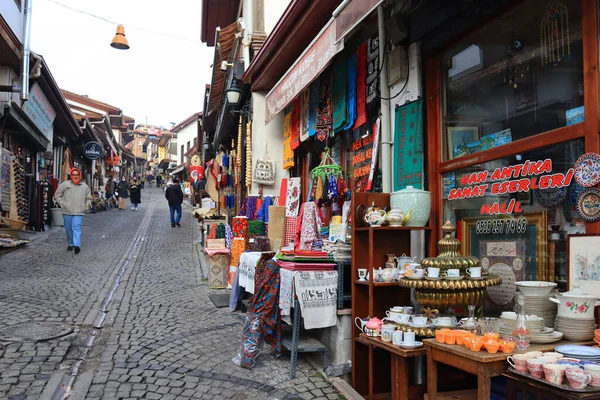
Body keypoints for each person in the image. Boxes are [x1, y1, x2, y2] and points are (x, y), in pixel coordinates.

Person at [53, 167, 92, 254]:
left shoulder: (85, 187)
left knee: (76, 227)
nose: (75, 176)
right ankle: (70, 244)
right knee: (68, 229)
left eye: (77, 175)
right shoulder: (65, 184)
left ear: (80, 176)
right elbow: (57, 195)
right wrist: (63, 204)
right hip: (67, 211)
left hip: (79, 211)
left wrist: (86, 206)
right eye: (73, 175)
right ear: (71, 176)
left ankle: (77, 245)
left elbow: (89, 198)